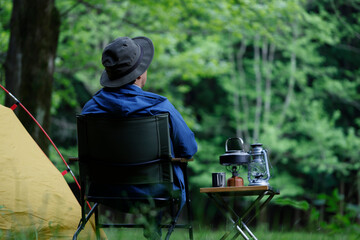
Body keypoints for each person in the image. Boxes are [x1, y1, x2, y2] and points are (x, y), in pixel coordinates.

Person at [81, 36, 197, 239]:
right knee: (168, 168)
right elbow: (189, 148)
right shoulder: (160, 106)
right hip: (156, 192)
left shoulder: (90, 110)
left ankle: (151, 225)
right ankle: (153, 227)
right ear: (140, 75)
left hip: (105, 191)